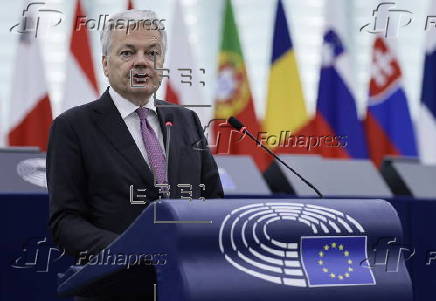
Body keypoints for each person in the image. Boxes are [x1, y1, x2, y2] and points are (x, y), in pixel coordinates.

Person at [46, 9, 223, 300]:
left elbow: (213, 201)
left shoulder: (187, 120)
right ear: (105, 63)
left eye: (152, 53)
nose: (142, 61)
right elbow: (65, 221)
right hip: (114, 287)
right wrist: (132, 252)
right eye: (128, 52)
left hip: (188, 285)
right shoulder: (73, 126)